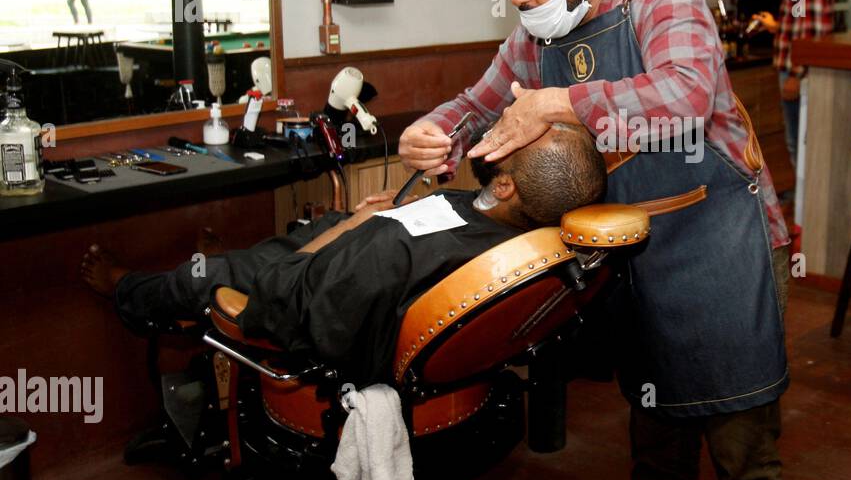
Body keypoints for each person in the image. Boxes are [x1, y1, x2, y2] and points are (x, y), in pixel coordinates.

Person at [398, 0, 792, 480]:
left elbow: (687, 98)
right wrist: (436, 134)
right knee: (657, 452)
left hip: (720, 251)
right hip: (639, 262)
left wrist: (561, 103)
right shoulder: (537, 38)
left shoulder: (661, 1)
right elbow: (479, 104)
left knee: (744, 466)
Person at [80, 122, 606, 385]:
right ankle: (254, 252)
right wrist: (367, 224)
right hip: (365, 259)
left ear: (509, 186)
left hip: (313, 289)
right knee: (299, 234)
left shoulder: (392, 248)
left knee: (210, 276)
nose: (502, 128)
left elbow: (286, 296)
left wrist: (356, 226)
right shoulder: (514, 231)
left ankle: (127, 288)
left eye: (515, 138)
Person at [753, 0, 836, 180]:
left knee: (799, 142)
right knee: (801, 140)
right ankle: (802, 208)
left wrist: (797, 74)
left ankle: (803, 215)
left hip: (799, 69)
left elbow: (810, 28)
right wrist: (777, 26)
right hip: (800, 64)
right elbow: (804, 18)